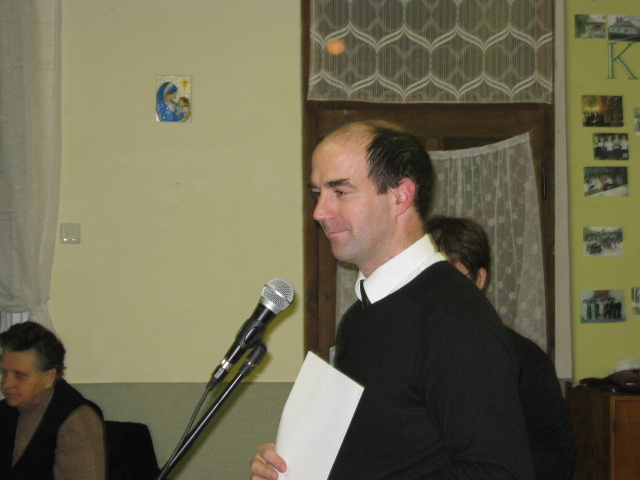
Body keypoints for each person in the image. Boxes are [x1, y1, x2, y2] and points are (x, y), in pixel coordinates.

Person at [251, 120, 535, 479]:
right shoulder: (361, 315)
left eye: (341, 191)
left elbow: (500, 473)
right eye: (317, 192)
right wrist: (293, 466)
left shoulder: (455, 320)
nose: (319, 211)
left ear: (401, 196)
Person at [426, 214, 575, 480]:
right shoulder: (405, 351)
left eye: (451, 278)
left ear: (479, 279)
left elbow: (558, 456)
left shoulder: (525, 359)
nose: (438, 292)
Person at [0, 321, 106, 479]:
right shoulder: (5, 411)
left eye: (19, 375)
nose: (6, 384)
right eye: (4, 373)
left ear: (48, 377)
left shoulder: (77, 420)